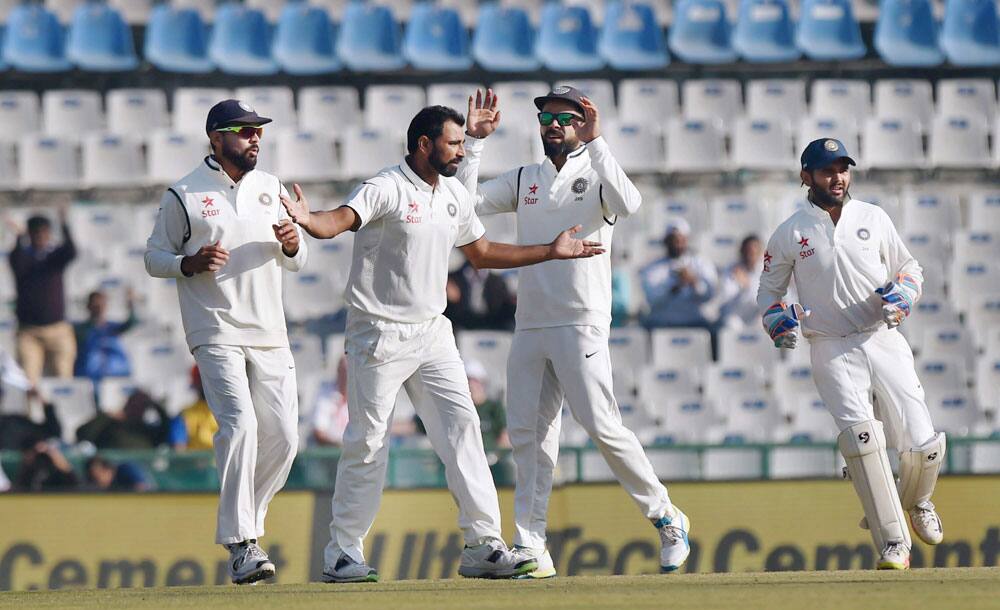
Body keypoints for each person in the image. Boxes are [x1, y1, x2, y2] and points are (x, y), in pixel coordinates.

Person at [282, 104, 602, 583]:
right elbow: (340, 220)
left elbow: (484, 253)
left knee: (463, 429)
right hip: (378, 332)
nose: (461, 151)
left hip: (432, 332)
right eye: (453, 144)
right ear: (424, 145)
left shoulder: (452, 192)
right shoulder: (386, 186)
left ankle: (483, 545)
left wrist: (550, 251)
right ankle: (342, 552)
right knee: (368, 442)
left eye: (461, 143)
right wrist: (309, 220)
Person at [456, 86, 691, 577]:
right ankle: (532, 545)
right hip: (532, 323)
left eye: (566, 117)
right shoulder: (525, 179)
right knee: (527, 435)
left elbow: (630, 203)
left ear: (582, 123)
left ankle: (666, 516)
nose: (555, 124)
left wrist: (600, 141)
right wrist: (474, 144)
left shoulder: (596, 172)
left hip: (581, 320)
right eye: (547, 116)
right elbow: (464, 206)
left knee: (602, 425)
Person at [757, 138, 945, 570]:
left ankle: (916, 501)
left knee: (922, 442)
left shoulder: (873, 217)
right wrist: (778, 323)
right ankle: (893, 543)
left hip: (881, 337)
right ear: (807, 177)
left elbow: (909, 268)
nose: (837, 178)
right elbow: (768, 295)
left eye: (843, 169)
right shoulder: (790, 232)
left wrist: (903, 296)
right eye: (826, 171)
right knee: (864, 441)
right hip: (830, 346)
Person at [144, 99, 307, 585]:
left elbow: (297, 257)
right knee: (240, 425)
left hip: (269, 330)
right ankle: (242, 544)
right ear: (216, 138)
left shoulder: (271, 187)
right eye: (243, 131)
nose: (254, 138)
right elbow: (155, 256)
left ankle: (248, 527)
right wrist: (188, 264)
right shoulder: (185, 194)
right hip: (214, 328)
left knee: (284, 437)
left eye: (258, 131)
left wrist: (295, 243)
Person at [8, 210, 77, 384]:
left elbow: (71, 252)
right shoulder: (24, 258)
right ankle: (32, 412)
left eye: (43, 231)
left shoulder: (53, 258)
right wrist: (18, 238)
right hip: (29, 332)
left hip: (58, 330)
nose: (40, 236)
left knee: (63, 379)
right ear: (29, 234)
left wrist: (64, 225)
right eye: (35, 232)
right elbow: (16, 260)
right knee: (29, 382)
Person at [639, 218, 718, 332]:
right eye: (673, 240)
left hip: (695, 321)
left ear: (686, 240)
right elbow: (652, 300)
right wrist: (675, 287)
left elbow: (709, 295)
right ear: (666, 241)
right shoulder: (653, 267)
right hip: (663, 323)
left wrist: (693, 282)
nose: (677, 244)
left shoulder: (701, 263)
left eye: (681, 240)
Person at [73, 288, 138, 383]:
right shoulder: (80, 329)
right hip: (88, 376)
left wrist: (131, 304)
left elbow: (131, 323)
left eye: (102, 304)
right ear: (88, 306)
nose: (99, 308)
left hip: (115, 374)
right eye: (95, 305)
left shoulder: (112, 327)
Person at [76, 389, 172, 449]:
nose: (137, 408)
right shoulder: (110, 424)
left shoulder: (147, 431)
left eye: (141, 406)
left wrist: (154, 404)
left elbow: (168, 432)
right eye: (134, 405)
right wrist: (106, 416)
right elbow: (81, 434)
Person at [444, 260, 516, 330]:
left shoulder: (497, 281)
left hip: (491, 323)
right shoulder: (451, 279)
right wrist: (446, 294)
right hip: (462, 322)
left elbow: (502, 306)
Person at [718, 234, 764, 329]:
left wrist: (747, 286)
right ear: (742, 251)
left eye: (754, 252)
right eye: (748, 251)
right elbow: (727, 299)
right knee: (730, 324)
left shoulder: (767, 270)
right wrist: (745, 289)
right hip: (735, 315)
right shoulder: (731, 269)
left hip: (755, 316)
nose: (751, 255)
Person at [309, 355, 350, 447]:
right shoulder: (324, 394)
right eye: (344, 371)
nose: (347, 376)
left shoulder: (361, 398)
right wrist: (339, 446)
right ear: (338, 372)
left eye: (349, 372)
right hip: (330, 453)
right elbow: (319, 432)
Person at [85, 455, 150, 492]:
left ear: (107, 470)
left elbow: (142, 488)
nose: (97, 482)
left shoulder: (127, 469)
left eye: (97, 477)